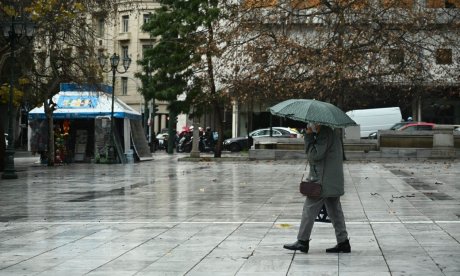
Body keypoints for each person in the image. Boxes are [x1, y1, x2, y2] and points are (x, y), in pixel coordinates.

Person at [283, 123, 350, 254]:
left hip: (323, 181)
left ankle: (302, 241)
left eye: (312, 123)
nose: (310, 125)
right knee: (335, 212)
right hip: (331, 180)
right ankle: (343, 242)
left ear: (318, 122)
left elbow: (315, 156)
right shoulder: (330, 132)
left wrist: (308, 136)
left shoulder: (324, 133)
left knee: (309, 209)